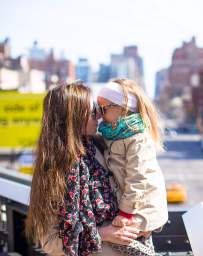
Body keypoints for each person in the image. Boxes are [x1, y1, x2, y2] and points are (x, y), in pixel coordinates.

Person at [25, 81, 139, 255]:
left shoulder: (102, 147)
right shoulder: (53, 170)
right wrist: (101, 234)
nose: (99, 116)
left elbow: (136, 183)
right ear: (72, 118)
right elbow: (49, 241)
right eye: (93, 111)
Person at [96, 78, 168, 255]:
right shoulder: (113, 133)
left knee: (119, 240)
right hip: (133, 205)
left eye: (104, 109)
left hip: (141, 207)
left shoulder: (138, 138)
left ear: (123, 108)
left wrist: (126, 213)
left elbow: (138, 178)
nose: (99, 114)